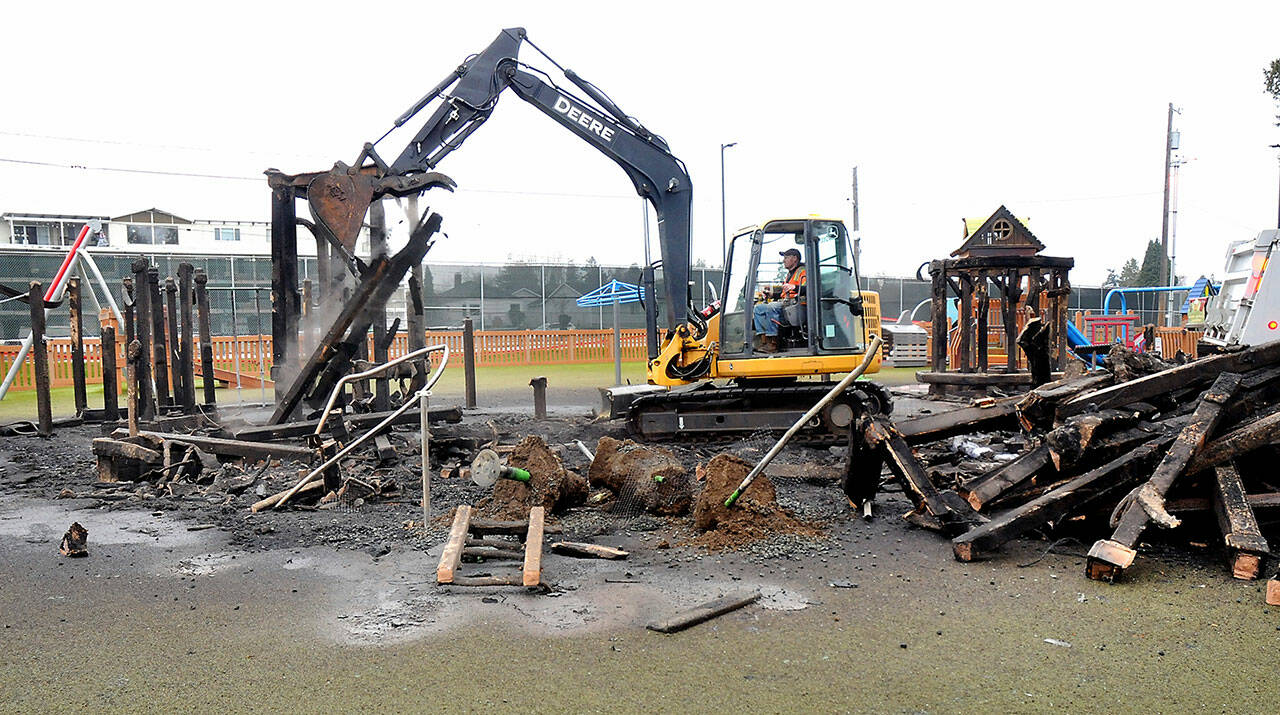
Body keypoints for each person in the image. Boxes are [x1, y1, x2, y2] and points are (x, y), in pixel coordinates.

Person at [752, 248, 806, 352]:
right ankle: (764, 341)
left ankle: (773, 343)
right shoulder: (789, 274)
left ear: (794, 259)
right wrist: (772, 294)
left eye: (786, 258)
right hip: (787, 304)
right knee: (758, 308)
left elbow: (809, 288)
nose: (783, 260)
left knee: (772, 307)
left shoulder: (802, 272)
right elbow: (785, 293)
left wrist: (794, 287)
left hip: (798, 306)